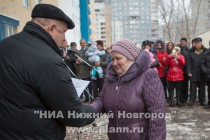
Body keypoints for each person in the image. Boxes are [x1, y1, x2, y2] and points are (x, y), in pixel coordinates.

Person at [0, 4, 95, 139]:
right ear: (51, 29)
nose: (64, 39)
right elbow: (73, 115)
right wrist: (95, 109)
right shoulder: (50, 61)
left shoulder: (4, 45)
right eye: (63, 32)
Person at [91, 39, 166, 140]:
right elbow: (101, 100)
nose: (114, 63)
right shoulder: (111, 77)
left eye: (118, 58)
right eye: (112, 59)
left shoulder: (148, 75)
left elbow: (157, 114)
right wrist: (86, 112)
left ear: (130, 58)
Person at [187, 37, 207, 106]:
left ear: (201, 43)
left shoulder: (205, 52)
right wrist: (189, 71)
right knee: (192, 88)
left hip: (202, 73)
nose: (197, 44)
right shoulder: (190, 52)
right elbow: (188, 63)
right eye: (196, 43)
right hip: (193, 73)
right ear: (194, 44)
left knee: (202, 88)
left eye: (199, 43)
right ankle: (192, 100)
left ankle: (202, 100)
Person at [179, 38, 189, 104]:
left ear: (186, 42)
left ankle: (185, 98)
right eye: (181, 41)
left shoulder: (189, 50)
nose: (182, 42)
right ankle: (180, 98)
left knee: (186, 85)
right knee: (180, 85)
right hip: (179, 71)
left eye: (184, 41)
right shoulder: (177, 49)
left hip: (186, 70)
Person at [200, 41, 210, 108]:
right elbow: (202, 64)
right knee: (209, 90)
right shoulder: (205, 54)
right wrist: (206, 71)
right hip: (208, 75)